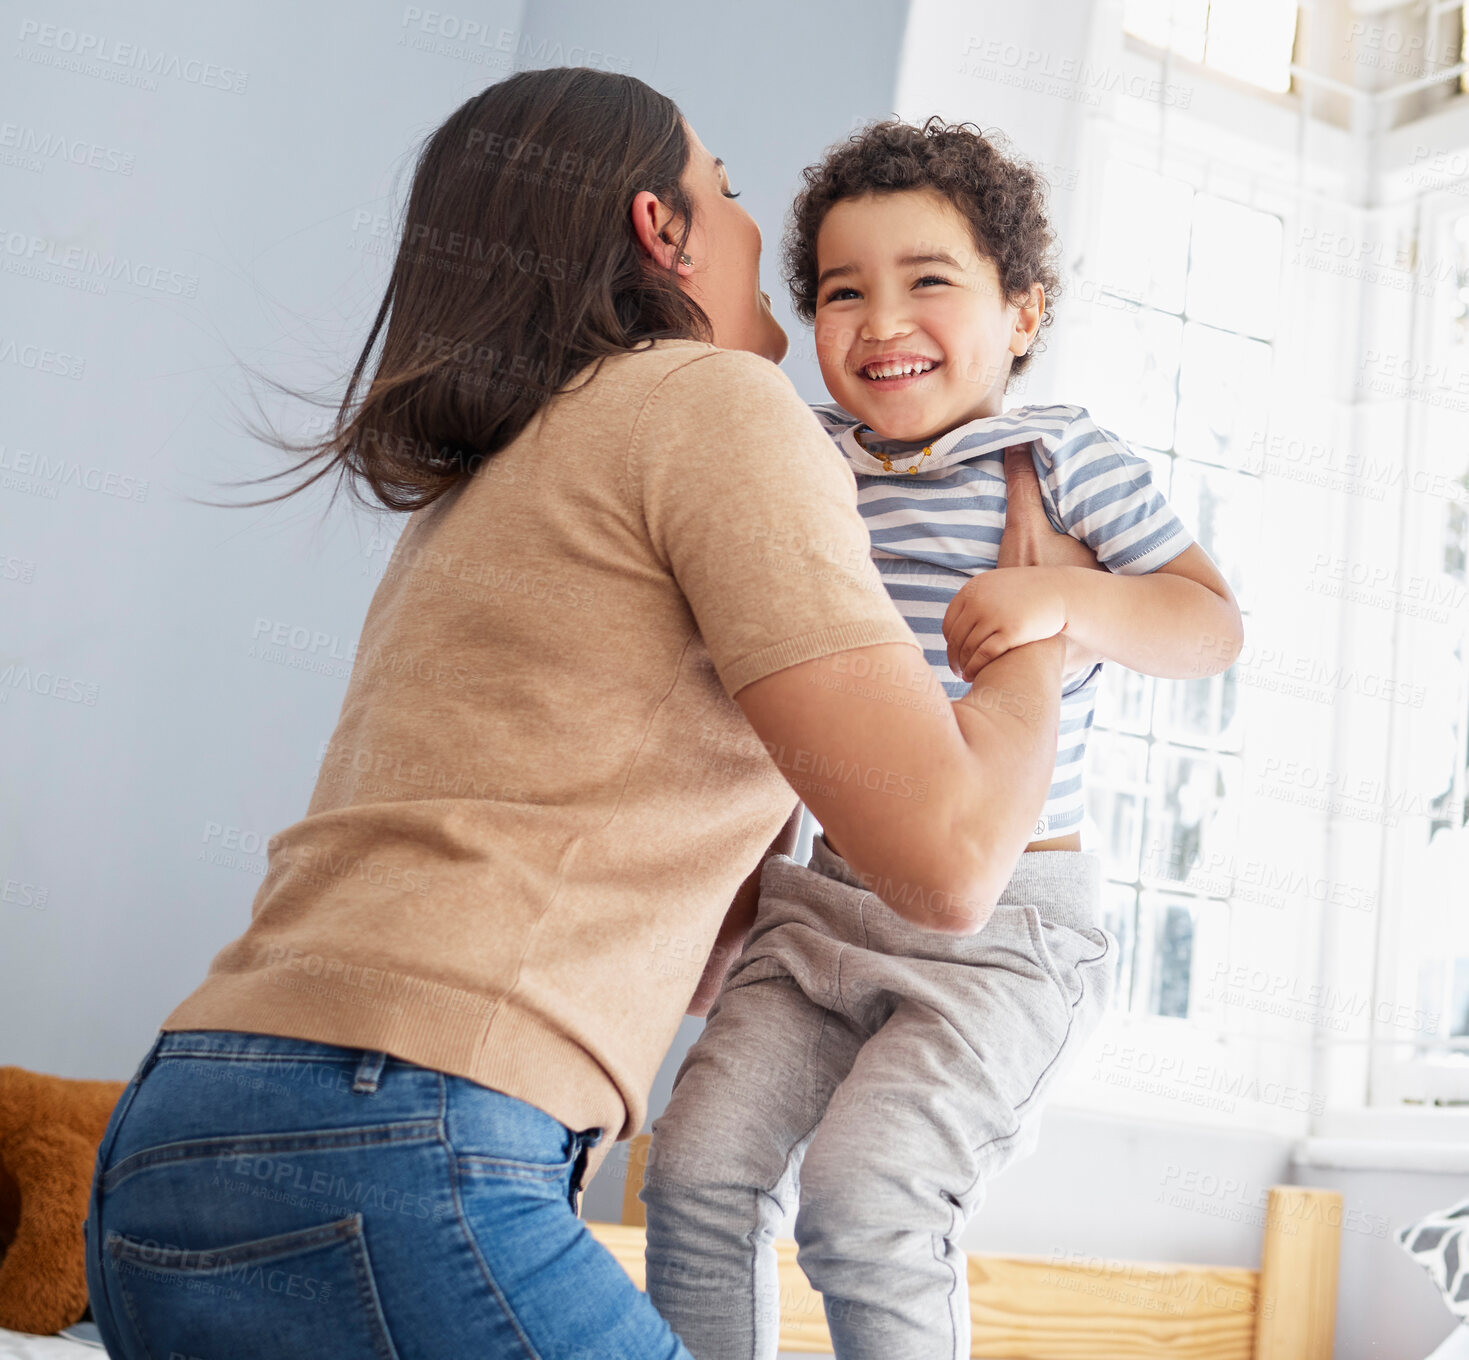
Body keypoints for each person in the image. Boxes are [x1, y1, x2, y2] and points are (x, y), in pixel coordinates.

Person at [82, 72, 1097, 1360]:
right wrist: (1041, 617)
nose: (761, 244)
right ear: (658, 233)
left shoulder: (503, 465)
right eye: (723, 193)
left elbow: (697, 962)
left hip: (177, 1137)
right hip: (404, 1134)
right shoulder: (711, 402)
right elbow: (953, 868)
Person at [640, 117, 1244, 1360]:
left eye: (929, 281)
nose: (879, 320)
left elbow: (1208, 624)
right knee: (695, 1173)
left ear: (1021, 315)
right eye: (841, 292)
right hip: (823, 905)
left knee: (866, 1201)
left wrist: (1065, 598)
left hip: (1008, 929)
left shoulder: (1056, 452)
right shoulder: (800, 456)